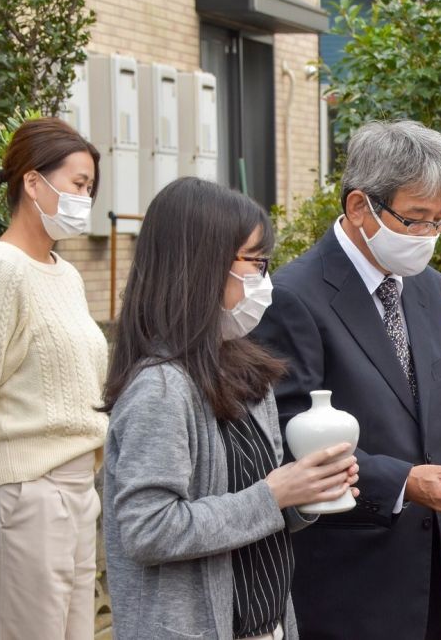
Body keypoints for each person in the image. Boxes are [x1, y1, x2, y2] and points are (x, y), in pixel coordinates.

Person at [251, 120, 441, 640]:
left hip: (429, 563)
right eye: (415, 218)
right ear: (358, 208)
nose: (430, 235)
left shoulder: (428, 287)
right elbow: (284, 434)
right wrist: (403, 482)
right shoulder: (292, 295)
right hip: (343, 567)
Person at [100, 178, 359, 640]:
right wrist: (275, 494)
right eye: (254, 264)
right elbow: (149, 529)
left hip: (269, 624)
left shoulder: (246, 372)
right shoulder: (160, 389)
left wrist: (309, 492)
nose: (265, 281)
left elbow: (256, 511)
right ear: (198, 265)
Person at [0, 117, 105, 639]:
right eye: (79, 185)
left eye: (90, 189)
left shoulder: (67, 273)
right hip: (23, 494)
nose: (86, 199)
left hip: (79, 490)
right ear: (33, 183)